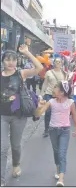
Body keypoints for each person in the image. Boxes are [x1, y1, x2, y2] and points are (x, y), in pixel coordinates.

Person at [0, 45, 43, 186]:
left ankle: (16, 164)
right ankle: (1, 179)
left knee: (15, 145)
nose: (10, 62)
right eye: (7, 59)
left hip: (18, 116)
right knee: (2, 147)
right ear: (3, 61)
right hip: (2, 116)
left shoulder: (21, 74)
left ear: (17, 61)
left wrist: (27, 52)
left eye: (13, 59)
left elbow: (39, 69)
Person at [35, 81, 76, 187]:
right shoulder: (51, 101)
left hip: (65, 130)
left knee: (62, 153)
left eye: (55, 87)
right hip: (53, 130)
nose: (53, 89)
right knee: (56, 152)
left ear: (61, 92)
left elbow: (74, 115)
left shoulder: (70, 102)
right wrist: (39, 106)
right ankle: (58, 169)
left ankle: (61, 179)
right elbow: (38, 114)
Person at [40, 57, 68, 137]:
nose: (58, 63)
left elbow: (65, 85)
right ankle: (46, 129)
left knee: (57, 112)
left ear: (61, 63)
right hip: (49, 94)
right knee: (48, 112)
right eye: (56, 62)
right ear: (54, 63)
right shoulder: (49, 72)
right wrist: (42, 94)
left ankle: (56, 128)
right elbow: (45, 84)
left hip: (59, 95)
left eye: (59, 62)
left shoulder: (64, 73)